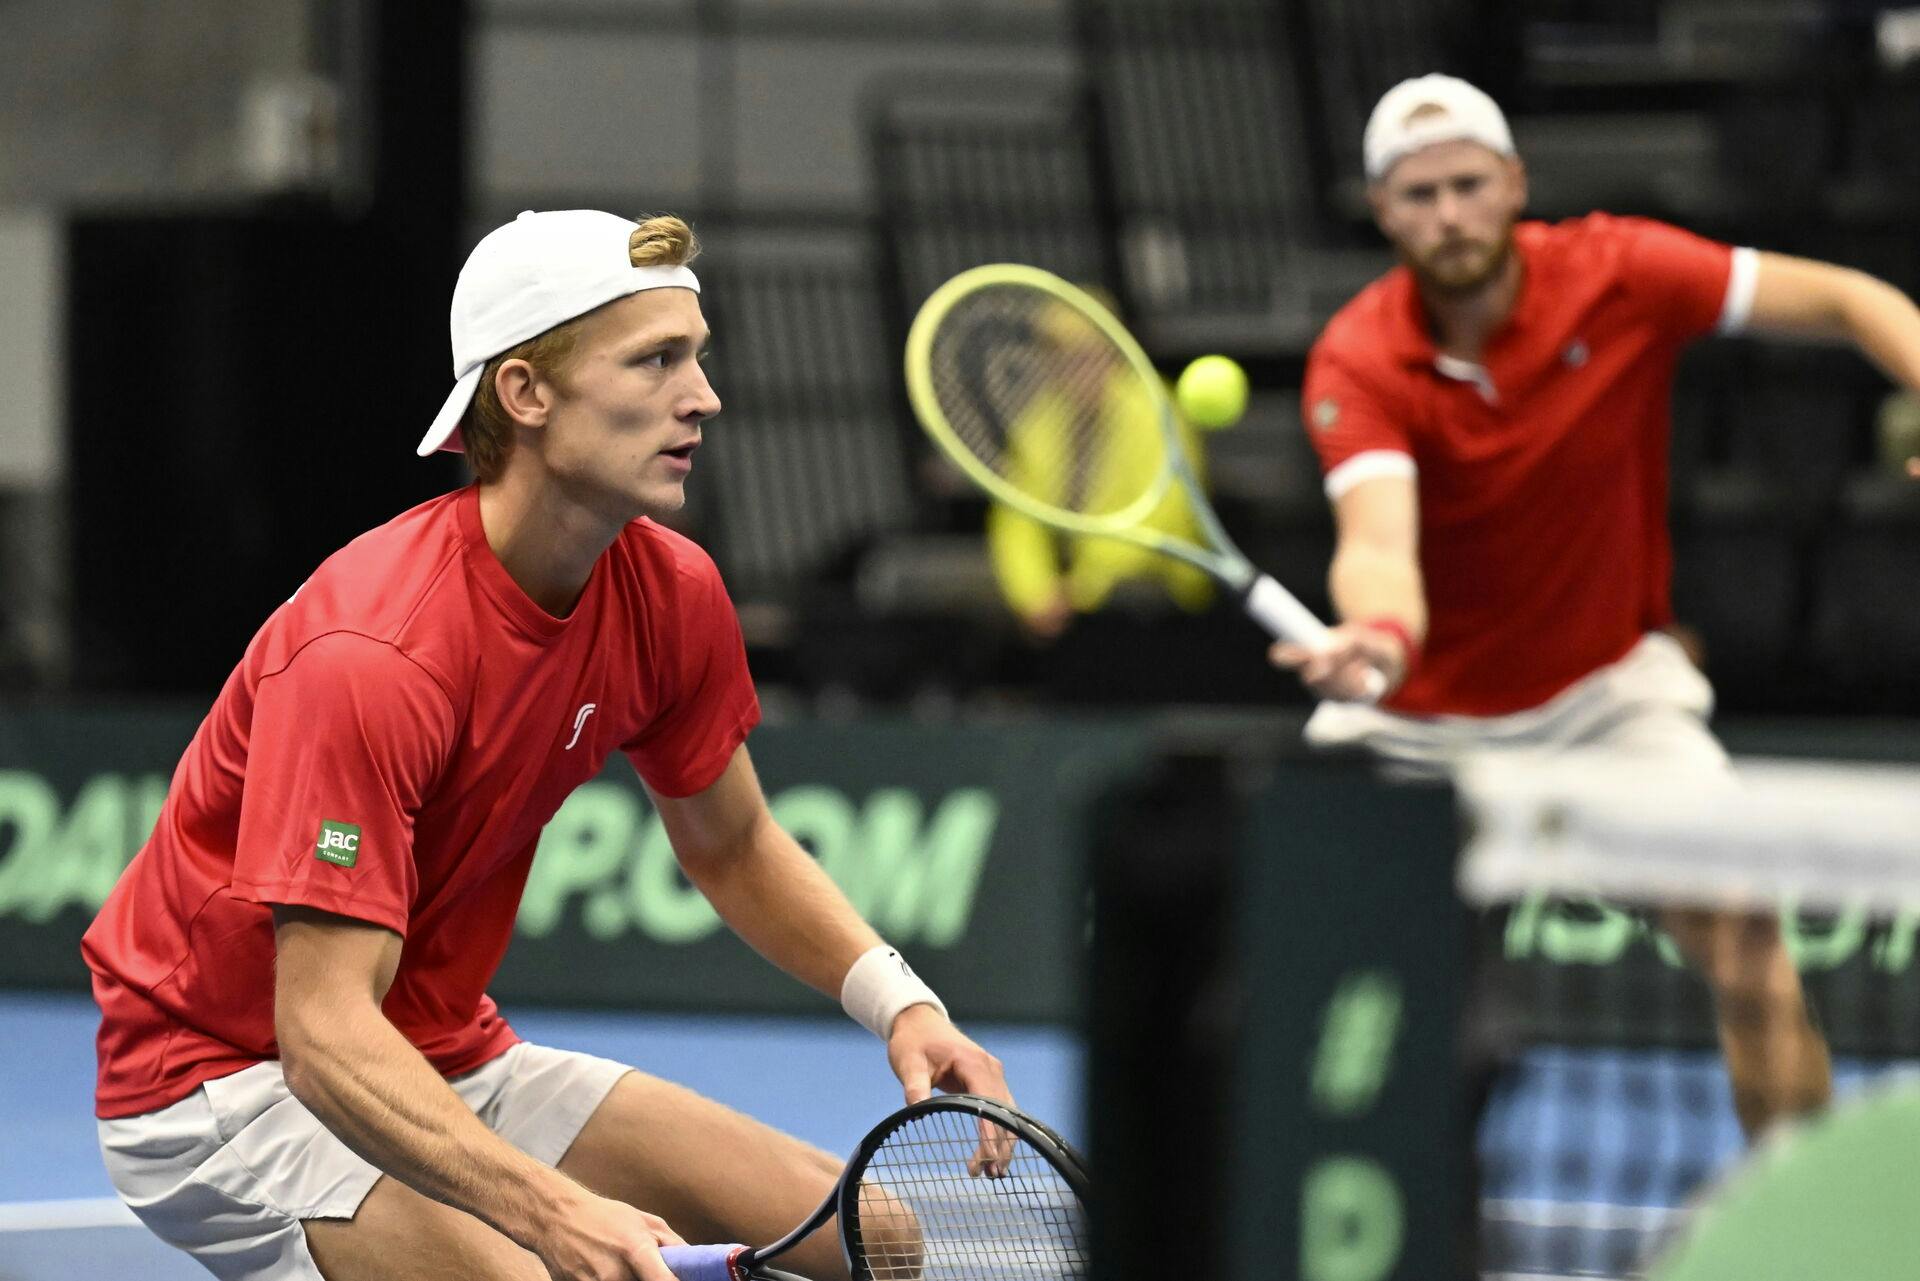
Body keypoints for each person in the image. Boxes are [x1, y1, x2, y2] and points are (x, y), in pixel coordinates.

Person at [81, 209, 1010, 1281]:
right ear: (523, 394)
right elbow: (323, 1037)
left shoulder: (670, 592)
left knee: (877, 1238)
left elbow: (734, 843)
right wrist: (555, 1212)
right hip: (223, 1083)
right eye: (656, 360)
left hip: (438, 1049)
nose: (702, 397)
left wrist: (903, 1005)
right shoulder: (372, 652)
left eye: (697, 358)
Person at [1273, 75, 1920, 1136]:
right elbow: (1379, 548)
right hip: (1413, 720)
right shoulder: (1357, 358)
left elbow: (1853, 299)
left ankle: (1799, 1237)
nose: (1448, 214)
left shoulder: (1624, 270)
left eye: (1468, 185)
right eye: (1419, 193)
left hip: (1607, 700)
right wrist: (1379, 648)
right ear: (1383, 210)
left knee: (1750, 946)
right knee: (1295, 980)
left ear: (1515, 183)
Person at [986, 297, 1228, 640]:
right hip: (1082, 612)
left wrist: (1083, 588)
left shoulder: (1156, 410)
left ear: (1114, 352)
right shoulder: (1039, 423)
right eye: (1060, 356)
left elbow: (1164, 516)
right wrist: (1034, 594)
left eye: (1088, 354)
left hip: (1164, 603)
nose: (1077, 368)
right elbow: (1016, 519)